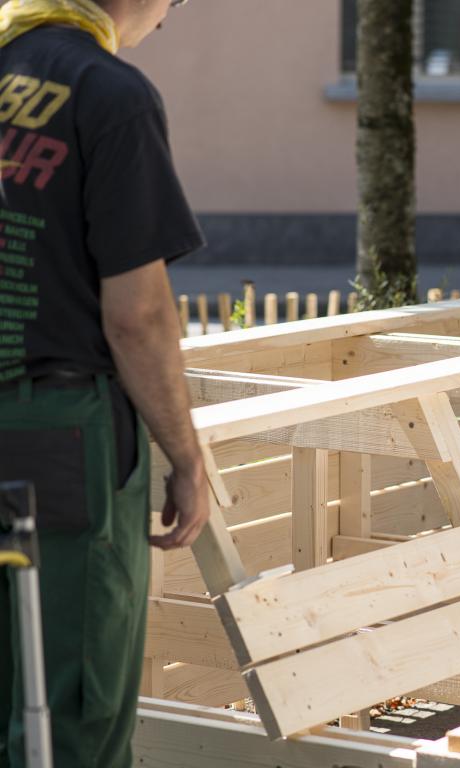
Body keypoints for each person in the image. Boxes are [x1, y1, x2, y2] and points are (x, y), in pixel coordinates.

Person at [0, 1, 207, 766]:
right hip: (59, 434)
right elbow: (139, 317)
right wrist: (184, 457)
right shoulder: (107, 92)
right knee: (69, 706)